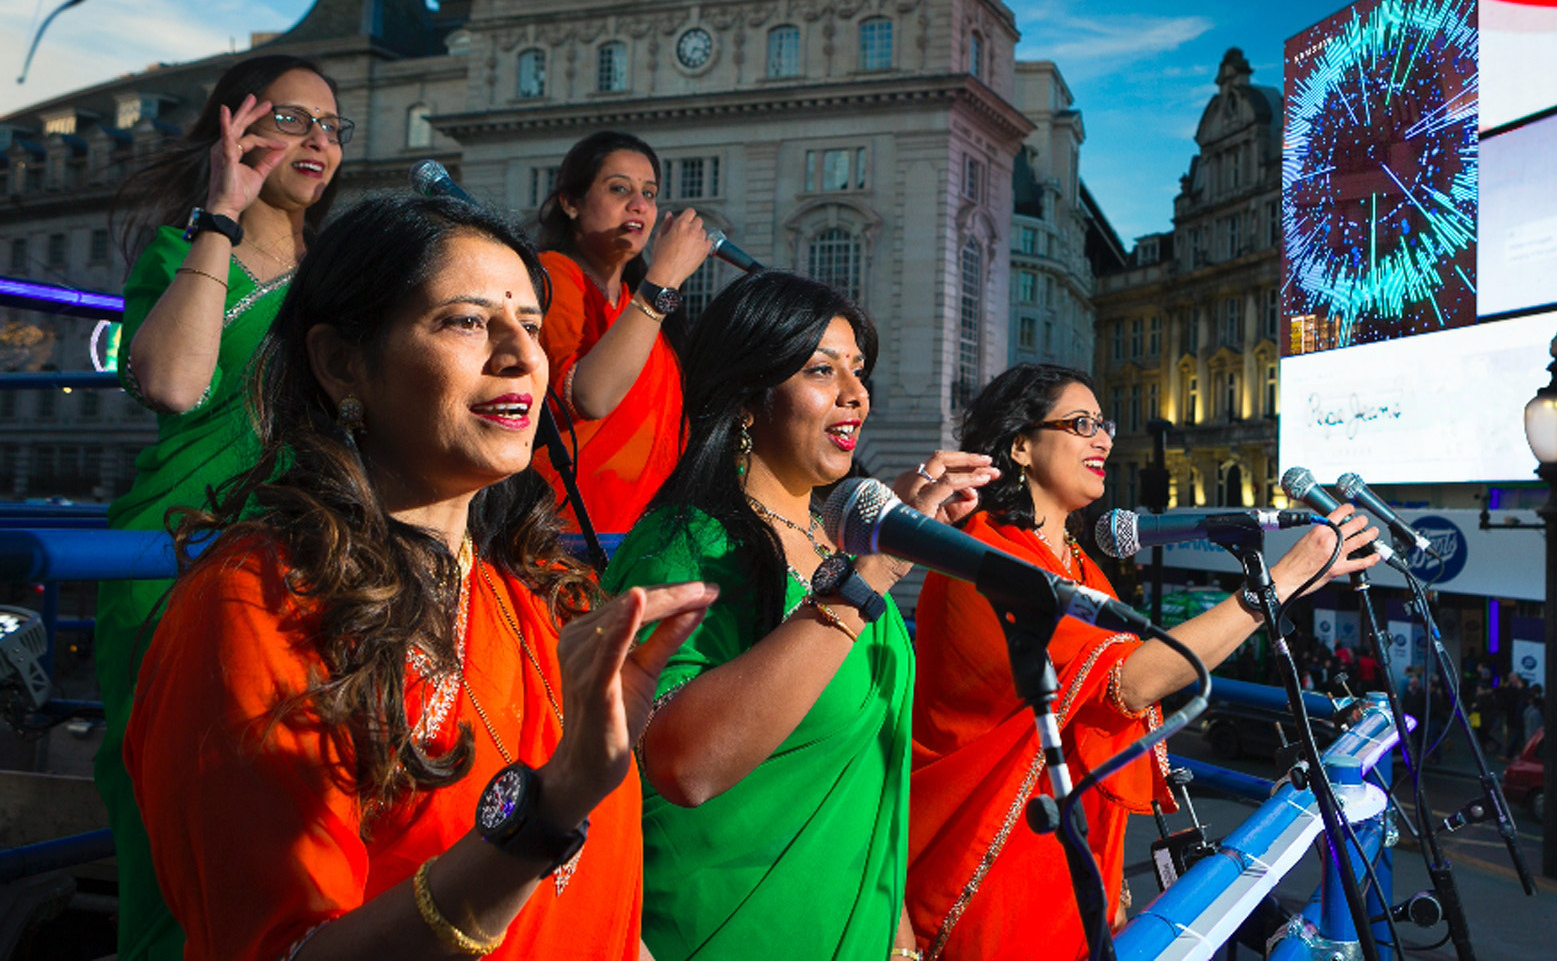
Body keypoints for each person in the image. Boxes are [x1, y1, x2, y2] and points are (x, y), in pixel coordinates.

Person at [124, 193, 715, 959]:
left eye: (531, 327)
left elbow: (601, 910)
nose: (521, 357)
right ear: (341, 361)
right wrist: (546, 813)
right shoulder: (260, 605)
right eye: (467, 321)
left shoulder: (537, 592)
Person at [906, 363, 1381, 959]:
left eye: (1104, 424)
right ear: (1021, 444)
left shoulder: (1085, 569)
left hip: (1074, 864)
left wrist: (1293, 583)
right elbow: (1127, 683)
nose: (1105, 439)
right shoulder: (982, 552)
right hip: (994, 862)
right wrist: (1278, 583)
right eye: (1082, 424)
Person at [603, 270, 993, 960]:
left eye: (859, 370)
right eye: (822, 370)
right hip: (729, 932)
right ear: (749, 399)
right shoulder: (688, 546)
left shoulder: (829, 542)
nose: (856, 394)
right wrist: (871, 575)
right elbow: (683, 764)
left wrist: (898, 937)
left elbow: (870, 775)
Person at [96, 54, 348, 961]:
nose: (320, 140)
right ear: (236, 129)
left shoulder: (342, 273)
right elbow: (170, 381)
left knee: (287, 821)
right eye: (293, 119)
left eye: (332, 127)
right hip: (173, 562)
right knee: (176, 816)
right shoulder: (185, 250)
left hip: (302, 570)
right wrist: (222, 212)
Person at [531, 131, 718, 533]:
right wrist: (664, 278)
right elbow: (591, 397)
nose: (639, 205)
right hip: (568, 536)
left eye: (649, 194)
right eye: (619, 189)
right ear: (570, 202)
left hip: (647, 535)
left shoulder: (638, 302)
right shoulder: (553, 275)